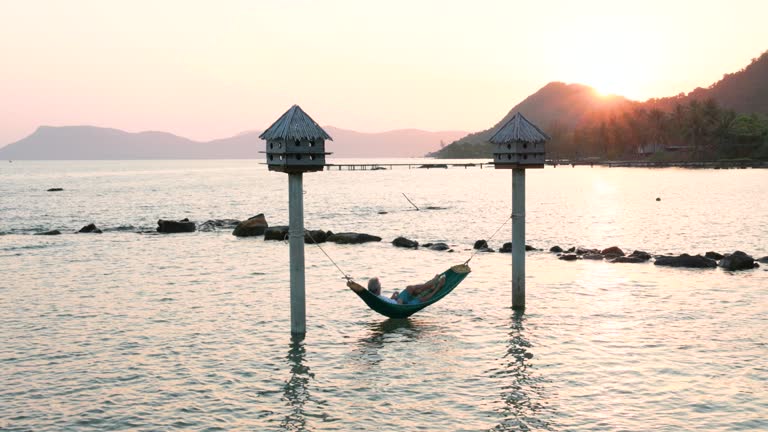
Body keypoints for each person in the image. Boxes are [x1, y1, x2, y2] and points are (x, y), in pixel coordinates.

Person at [347, 274, 446, 305]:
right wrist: (398, 301)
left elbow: (386, 302)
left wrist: (393, 298)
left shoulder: (376, 297)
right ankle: (438, 287)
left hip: (396, 301)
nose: (381, 287)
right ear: (377, 289)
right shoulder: (376, 298)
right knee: (421, 300)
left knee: (409, 288)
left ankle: (431, 284)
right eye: (380, 285)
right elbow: (390, 305)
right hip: (400, 306)